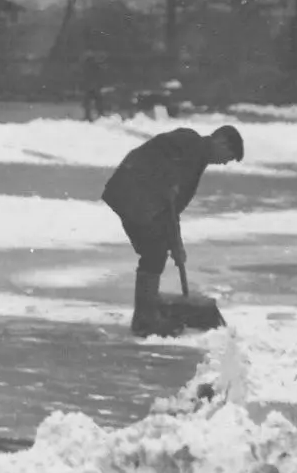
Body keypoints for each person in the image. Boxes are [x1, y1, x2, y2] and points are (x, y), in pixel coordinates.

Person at [101, 125, 243, 336]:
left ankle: (148, 309)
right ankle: (146, 318)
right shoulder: (190, 142)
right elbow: (158, 160)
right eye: (227, 157)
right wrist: (168, 177)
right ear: (220, 141)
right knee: (154, 250)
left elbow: (173, 207)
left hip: (140, 196)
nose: (224, 163)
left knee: (154, 249)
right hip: (133, 192)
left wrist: (176, 246)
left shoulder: (197, 158)